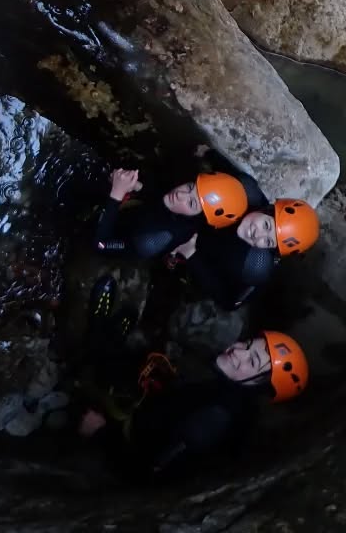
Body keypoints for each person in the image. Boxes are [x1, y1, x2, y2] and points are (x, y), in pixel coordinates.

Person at [77, 330, 309, 478]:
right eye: (247, 344)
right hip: (145, 414)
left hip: (125, 442)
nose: (238, 350)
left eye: (252, 360)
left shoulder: (211, 422)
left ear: (258, 385)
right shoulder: (226, 388)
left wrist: (100, 433)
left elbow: (150, 470)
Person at [172, 197, 320, 311]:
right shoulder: (246, 193)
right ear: (266, 209)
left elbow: (229, 302)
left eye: (268, 242)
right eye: (266, 225)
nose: (258, 235)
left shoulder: (255, 267)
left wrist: (191, 255)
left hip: (209, 264)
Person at [92, 167, 249, 260]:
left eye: (192, 203)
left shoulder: (153, 241)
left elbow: (100, 245)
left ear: (199, 217)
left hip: (110, 235)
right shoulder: (187, 210)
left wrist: (116, 193)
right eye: (189, 187)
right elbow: (159, 199)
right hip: (132, 216)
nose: (181, 195)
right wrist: (136, 186)